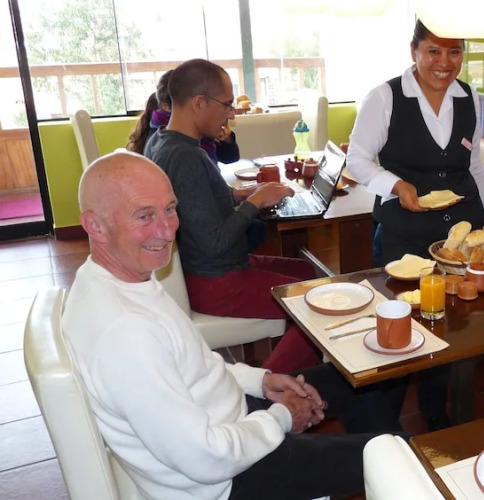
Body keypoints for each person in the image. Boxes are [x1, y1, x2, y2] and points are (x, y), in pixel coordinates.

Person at [62, 151, 403, 500]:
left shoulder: (117, 281)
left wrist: (261, 381)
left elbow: (194, 365)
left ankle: (390, 475)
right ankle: (397, 470)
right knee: (401, 457)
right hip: (226, 482)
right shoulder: (125, 332)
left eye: (170, 208)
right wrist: (283, 417)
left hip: (231, 425)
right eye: (144, 215)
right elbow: (203, 459)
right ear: (95, 225)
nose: (167, 230)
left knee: (366, 380)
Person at [345, 20, 484, 430]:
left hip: (459, 234)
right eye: (433, 50)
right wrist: (395, 185)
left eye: (454, 52)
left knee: (450, 323)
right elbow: (357, 159)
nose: (444, 62)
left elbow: (472, 162)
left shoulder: (469, 97)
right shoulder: (385, 97)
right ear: (413, 50)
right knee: (398, 324)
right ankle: (382, 423)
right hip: (404, 235)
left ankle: (436, 413)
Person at [144, 59, 318, 373]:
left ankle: (289, 365)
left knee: (307, 271)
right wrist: (255, 203)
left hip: (209, 267)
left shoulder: (161, 140)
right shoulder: (185, 156)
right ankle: (265, 389)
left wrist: (242, 195)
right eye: (226, 105)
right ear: (199, 103)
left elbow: (196, 203)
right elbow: (214, 242)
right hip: (215, 280)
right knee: (316, 305)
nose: (231, 114)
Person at [127, 69, 240, 164]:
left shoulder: (175, 136)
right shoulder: (179, 149)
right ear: (166, 106)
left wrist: (226, 139)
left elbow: (230, 157)